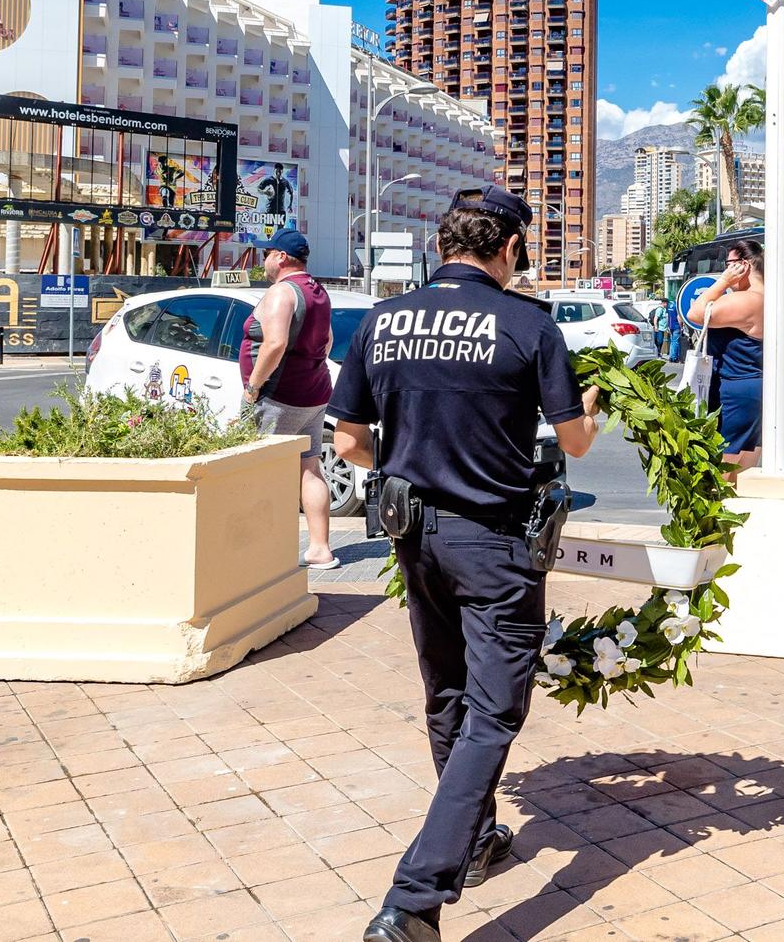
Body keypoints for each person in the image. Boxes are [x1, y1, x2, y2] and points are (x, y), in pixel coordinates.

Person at [329, 185, 603, 942]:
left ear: (443, 242)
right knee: (494, 712)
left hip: (415, 539)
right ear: (509, 247)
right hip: (496, 546)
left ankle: (476, 840)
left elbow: (349, 441)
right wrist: (597, 405)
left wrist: (414, 459)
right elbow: (574, 441)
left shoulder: (383, 322)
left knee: (446, 694)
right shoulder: (527, 325)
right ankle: (413, 898)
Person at [237, 228, 336, 569]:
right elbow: (327, 343)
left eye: (267, 254)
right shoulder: (318, 292)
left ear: (280, 257)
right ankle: (320, 548)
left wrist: (253, 387)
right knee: (309, 468)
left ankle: (263, 551)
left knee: (260, 471)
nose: (264, 261)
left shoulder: (282, 293)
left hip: (278, 396)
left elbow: (274, 344)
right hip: (313, 393)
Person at [688, 238, 765, 469]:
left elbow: (695, 313)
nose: (725, 269)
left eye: (728, 264)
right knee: (746, 466)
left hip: (734, 391)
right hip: (754, 389)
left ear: (743, 266)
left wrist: (722, 282)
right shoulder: (772, 299)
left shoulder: (747, 300)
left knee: (724, 469)